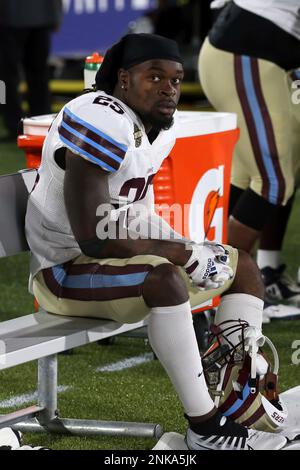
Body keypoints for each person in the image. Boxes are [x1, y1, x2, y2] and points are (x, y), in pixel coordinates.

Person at [25, 33, 287, 450]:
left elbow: (136, 213)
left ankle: (237, 396)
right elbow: (93, 238)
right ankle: (204, 426)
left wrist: (192, 247)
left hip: (108, 262)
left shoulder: (152, 128)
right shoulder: (99, 116)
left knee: (242, 267)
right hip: (62, 273)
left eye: (176, 79)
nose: (169, 88)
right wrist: (182, 254)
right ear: (124, 79)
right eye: (155, 77)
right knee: (166, 279)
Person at [198, 0, 300, 315]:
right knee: (273, 181)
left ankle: (215, 282)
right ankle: (213, 283)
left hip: (251, 53)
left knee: (250, 176)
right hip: (247, 53)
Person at [0, 0, 63, 141]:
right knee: (38, 74)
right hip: (41, 15)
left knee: (6, 77)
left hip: (10, 17)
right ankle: (41, 124)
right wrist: (56, 14)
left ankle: (15, 125)